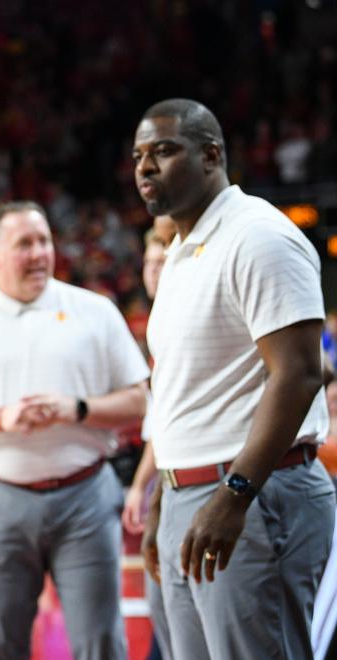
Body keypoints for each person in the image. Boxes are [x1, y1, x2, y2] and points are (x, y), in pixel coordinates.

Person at [135, 98, 334, 660]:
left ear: (211, 155)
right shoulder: (180, 250)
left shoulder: (258, 237)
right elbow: (183, 391)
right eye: (139, 156)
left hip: (252, 493)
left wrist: (236, 492)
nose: (146, 167)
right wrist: (162, 500)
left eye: (165, 151)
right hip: (189, 493)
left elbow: (299, 373)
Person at [0, 201, 149, 660]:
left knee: (101, 641)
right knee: (0, 643)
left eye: (44, 241)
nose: (39, 252)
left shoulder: (95, 311)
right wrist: (0, 419)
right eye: (24, 244)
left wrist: (77, 408)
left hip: (85, 494)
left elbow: (140, 401)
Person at [121, 221, 176, 660]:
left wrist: (144, 484)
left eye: (165, 259)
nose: (155, 268)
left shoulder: (178, 316)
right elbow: (160, 418)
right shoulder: (159, 319)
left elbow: (168, 418)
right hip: (169, 472)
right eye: (151, 260)